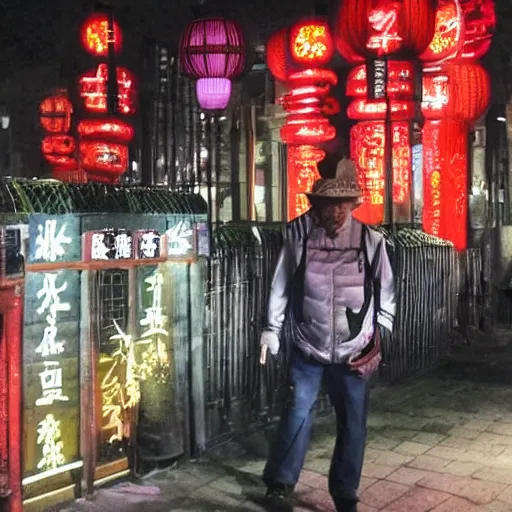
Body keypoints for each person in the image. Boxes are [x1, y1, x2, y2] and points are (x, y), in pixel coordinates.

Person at [259, 158, 396, 512]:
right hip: (309, 344)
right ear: (315, 204)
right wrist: (271, 329)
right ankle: (280, 482)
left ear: (352, 204)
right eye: (327, 204)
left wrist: (381, 330)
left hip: (354, 350)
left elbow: (385, 288)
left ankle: (345, 492)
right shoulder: (298, 234)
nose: (334, 212)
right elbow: (282, 283)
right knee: (296, 414)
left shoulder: (371, 240)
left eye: (341, 204)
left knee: (353, 424)